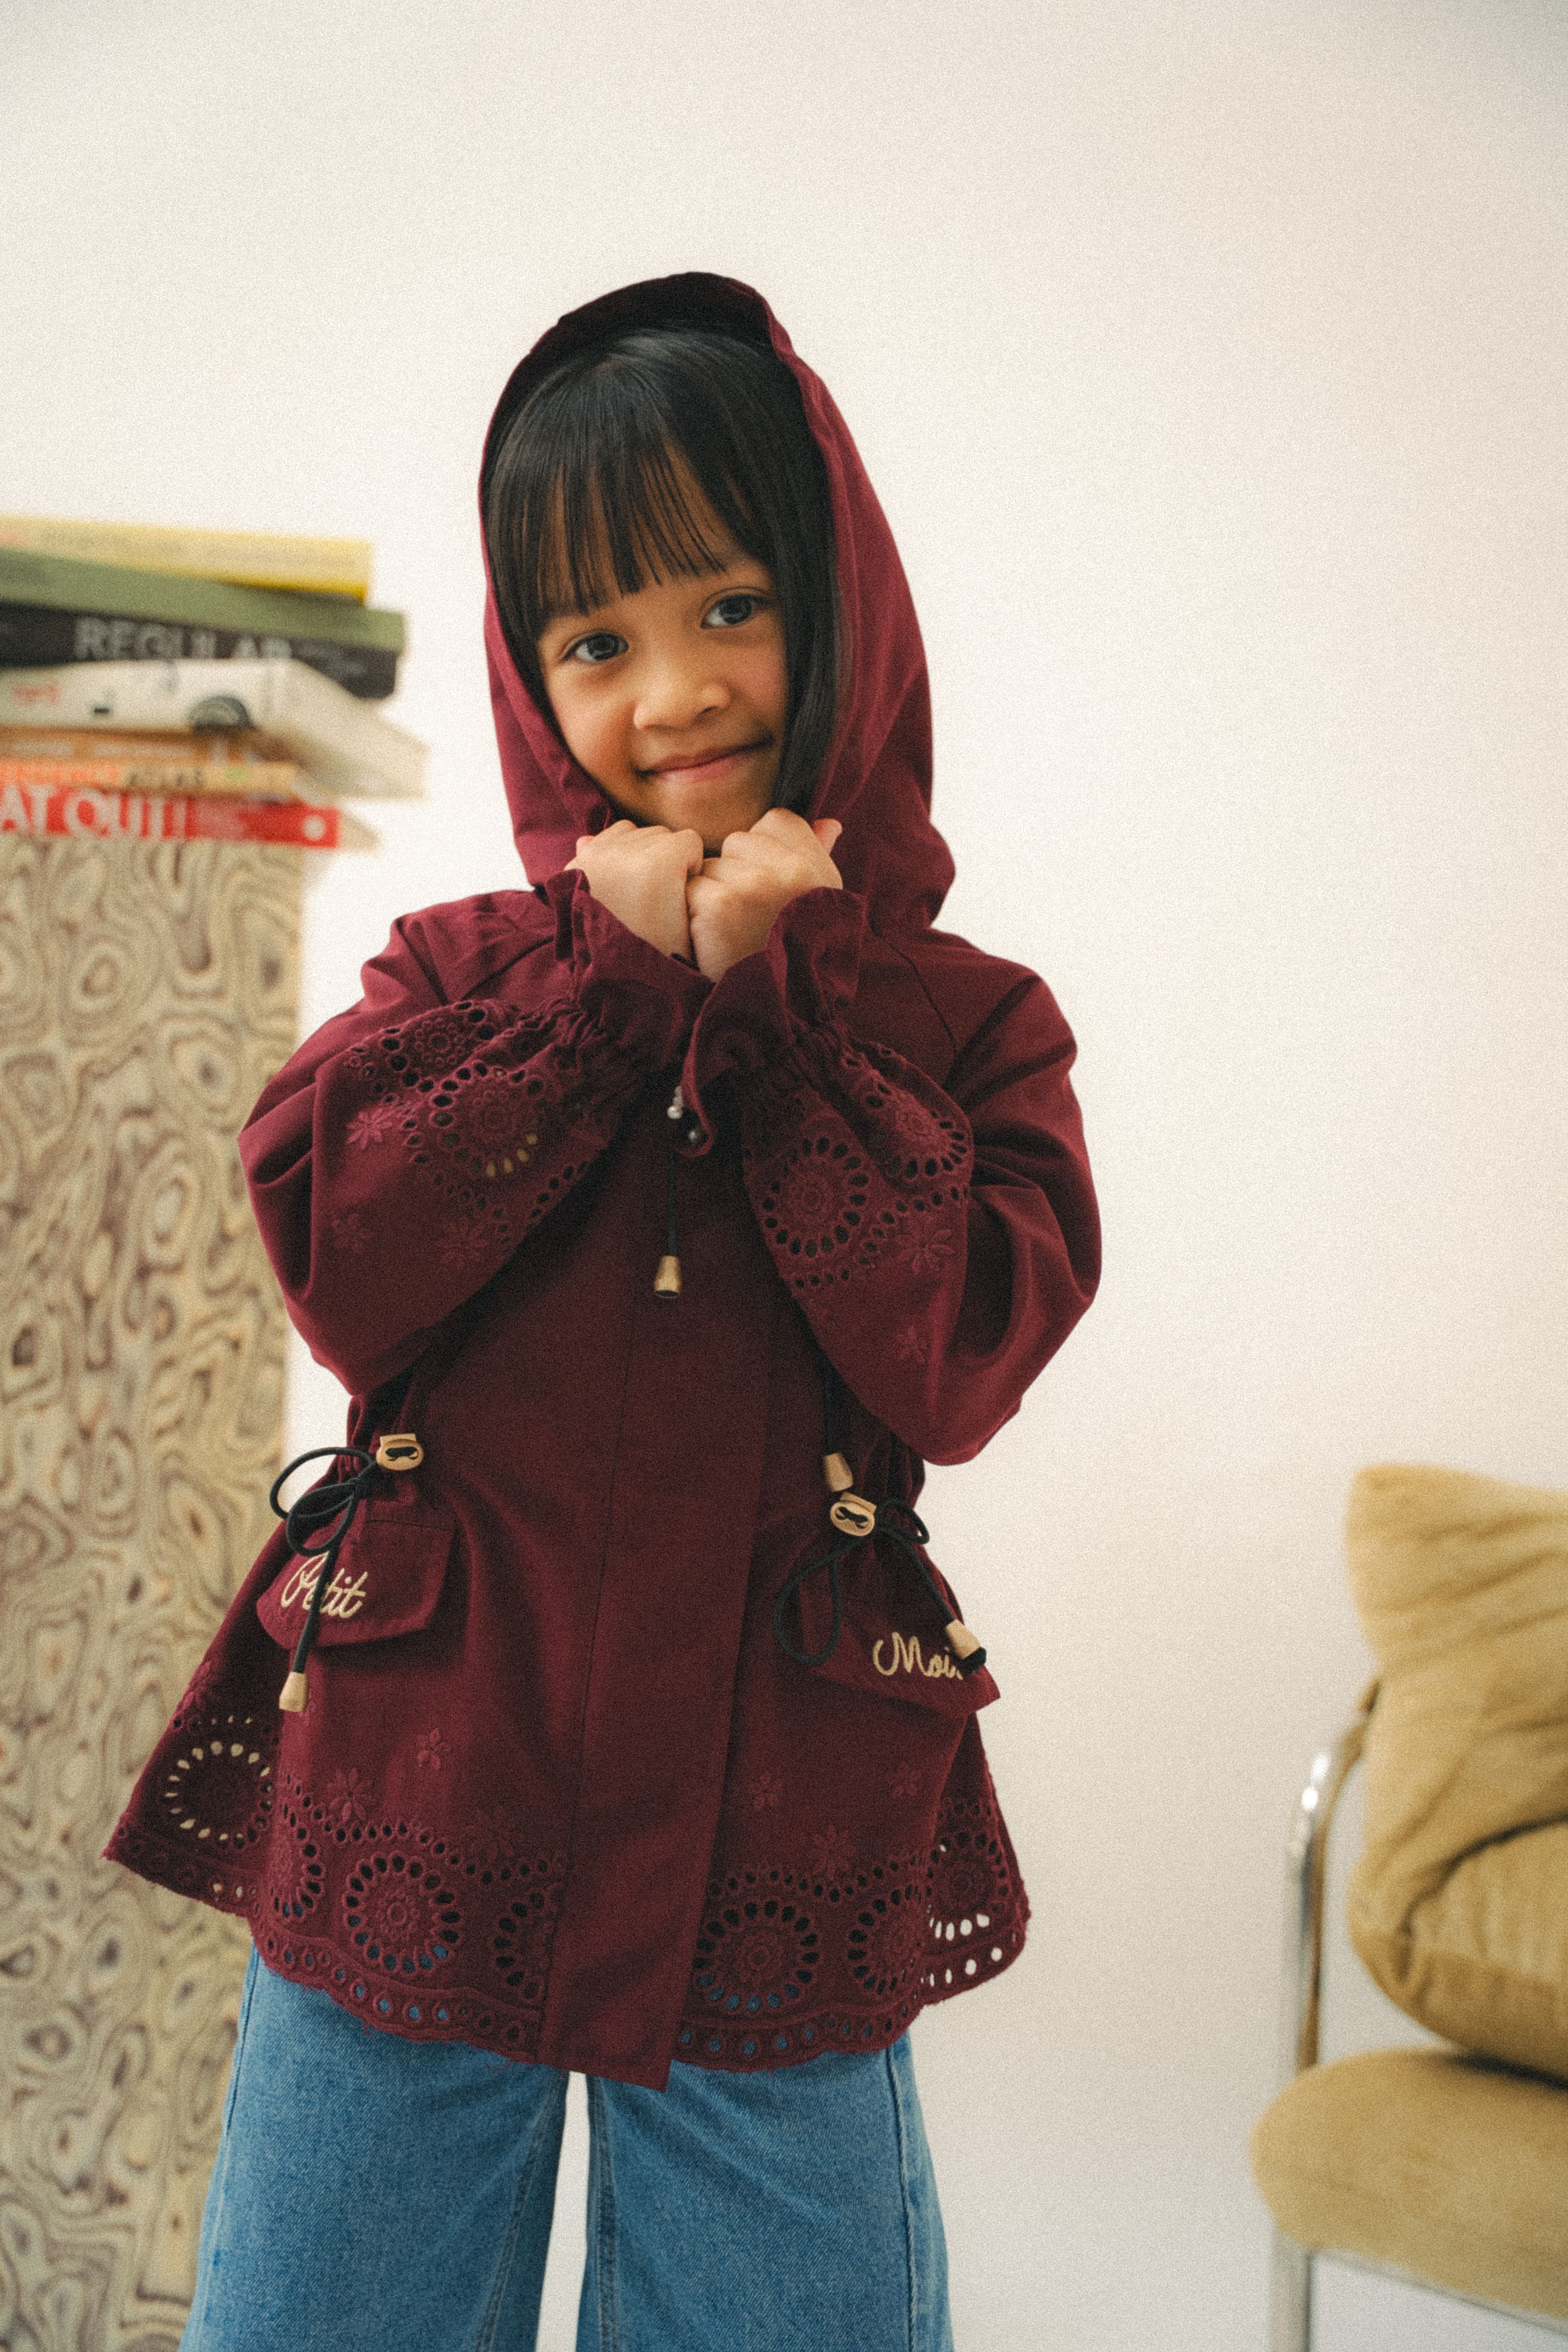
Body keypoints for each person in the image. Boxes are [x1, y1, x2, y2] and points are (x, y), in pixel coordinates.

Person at [109, 272, 1100, 2351]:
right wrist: (611, 995)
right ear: (526, 669)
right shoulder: (458, 980)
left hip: (778, 1846)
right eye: (595, 642)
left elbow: (959, 1354)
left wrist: (784, 1009)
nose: (674, 693)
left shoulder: (964, 1025)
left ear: (841, 603)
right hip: (419, 1802)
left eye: (733, 604)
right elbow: (346, 1264)